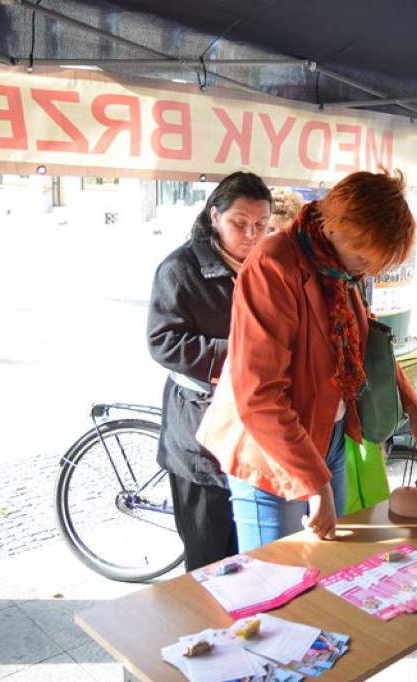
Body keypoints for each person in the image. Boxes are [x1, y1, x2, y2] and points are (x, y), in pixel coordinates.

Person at [200, 169, 417, 551]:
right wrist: (314, 481)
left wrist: (412, 406)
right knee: (275, 584)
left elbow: (365, 337)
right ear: (337, 226)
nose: (364, 271)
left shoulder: (337, 266)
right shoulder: (274, 264)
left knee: (324, 567)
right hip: (272, 451)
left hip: (327, 438)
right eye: (363, 258)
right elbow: (259, 395)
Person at [147, 171, 273, 571]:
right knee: (208, 564)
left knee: (248, 560)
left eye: (261, 225)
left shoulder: (265, 265)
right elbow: (162, 341)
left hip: (250, 435)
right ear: (215, 216)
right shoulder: (179, 269)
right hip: (197, 436)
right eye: (240, 223)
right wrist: (238, 354)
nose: (251, 234)